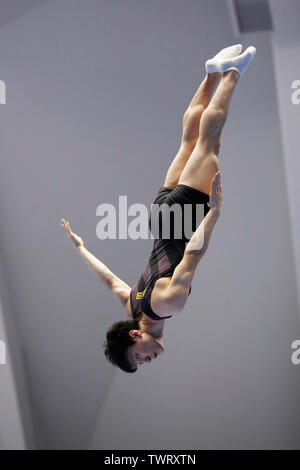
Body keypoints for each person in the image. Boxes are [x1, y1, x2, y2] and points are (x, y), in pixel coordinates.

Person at [61, 44, 256, 373]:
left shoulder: (168, 304)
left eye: (139, 357)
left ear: (136, 336)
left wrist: (214, 214)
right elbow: (109, 280)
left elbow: (193, 253)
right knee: (188, 140)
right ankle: (211, 72)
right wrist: (81, 249)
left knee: (210, 140)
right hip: (161, 216)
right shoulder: (133, 306)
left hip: (183, 217)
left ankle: (233, 72)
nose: (147, 360)